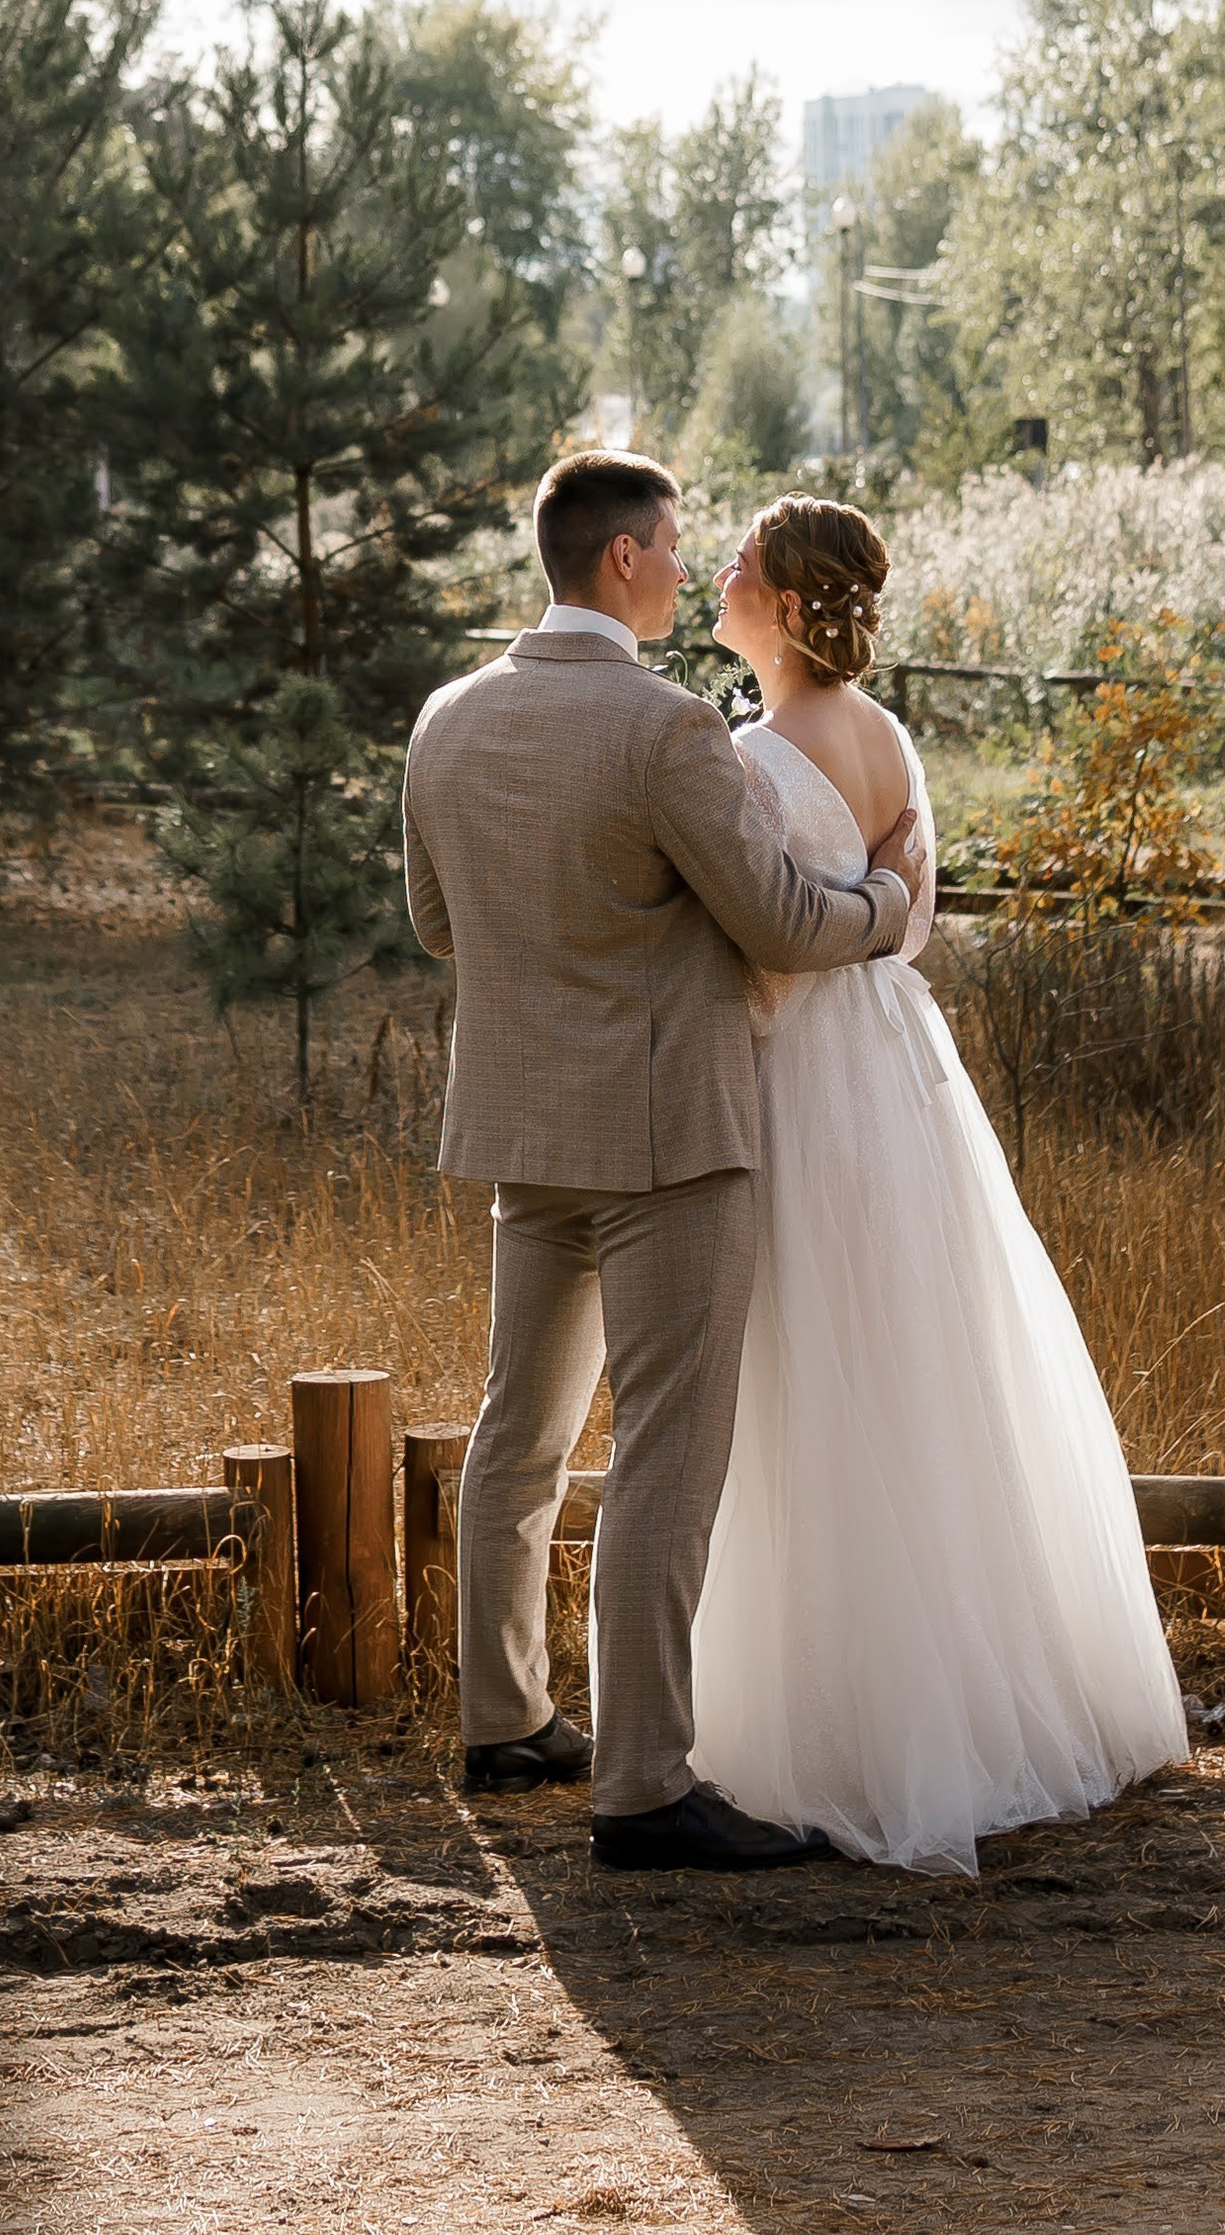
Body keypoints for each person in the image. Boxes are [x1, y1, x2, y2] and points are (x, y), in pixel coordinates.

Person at [400, 449, 925, 1873]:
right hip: (668, 1144)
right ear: (622, 562)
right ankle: (642, 1786)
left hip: (523, 1130)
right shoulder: (669, 730)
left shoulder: (445, 721)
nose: (690, 569)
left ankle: (505, 1722)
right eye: (677, 548)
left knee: (520, 1433)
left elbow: (441, 926)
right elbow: (774, 923)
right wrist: (888, 900)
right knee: (664, 1461)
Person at [687, 494, 1189, 1872]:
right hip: (901, 1071)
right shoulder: (886, 734)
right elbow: (905, 920)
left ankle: (850, 1728)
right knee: (919, 1360)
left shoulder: (751, 754)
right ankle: (974, 1698)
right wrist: (878, 922)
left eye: (740, 562)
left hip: (806, 1077)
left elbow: (772, 957)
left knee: (818, 1370)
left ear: (788, 604)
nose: (719, 572)